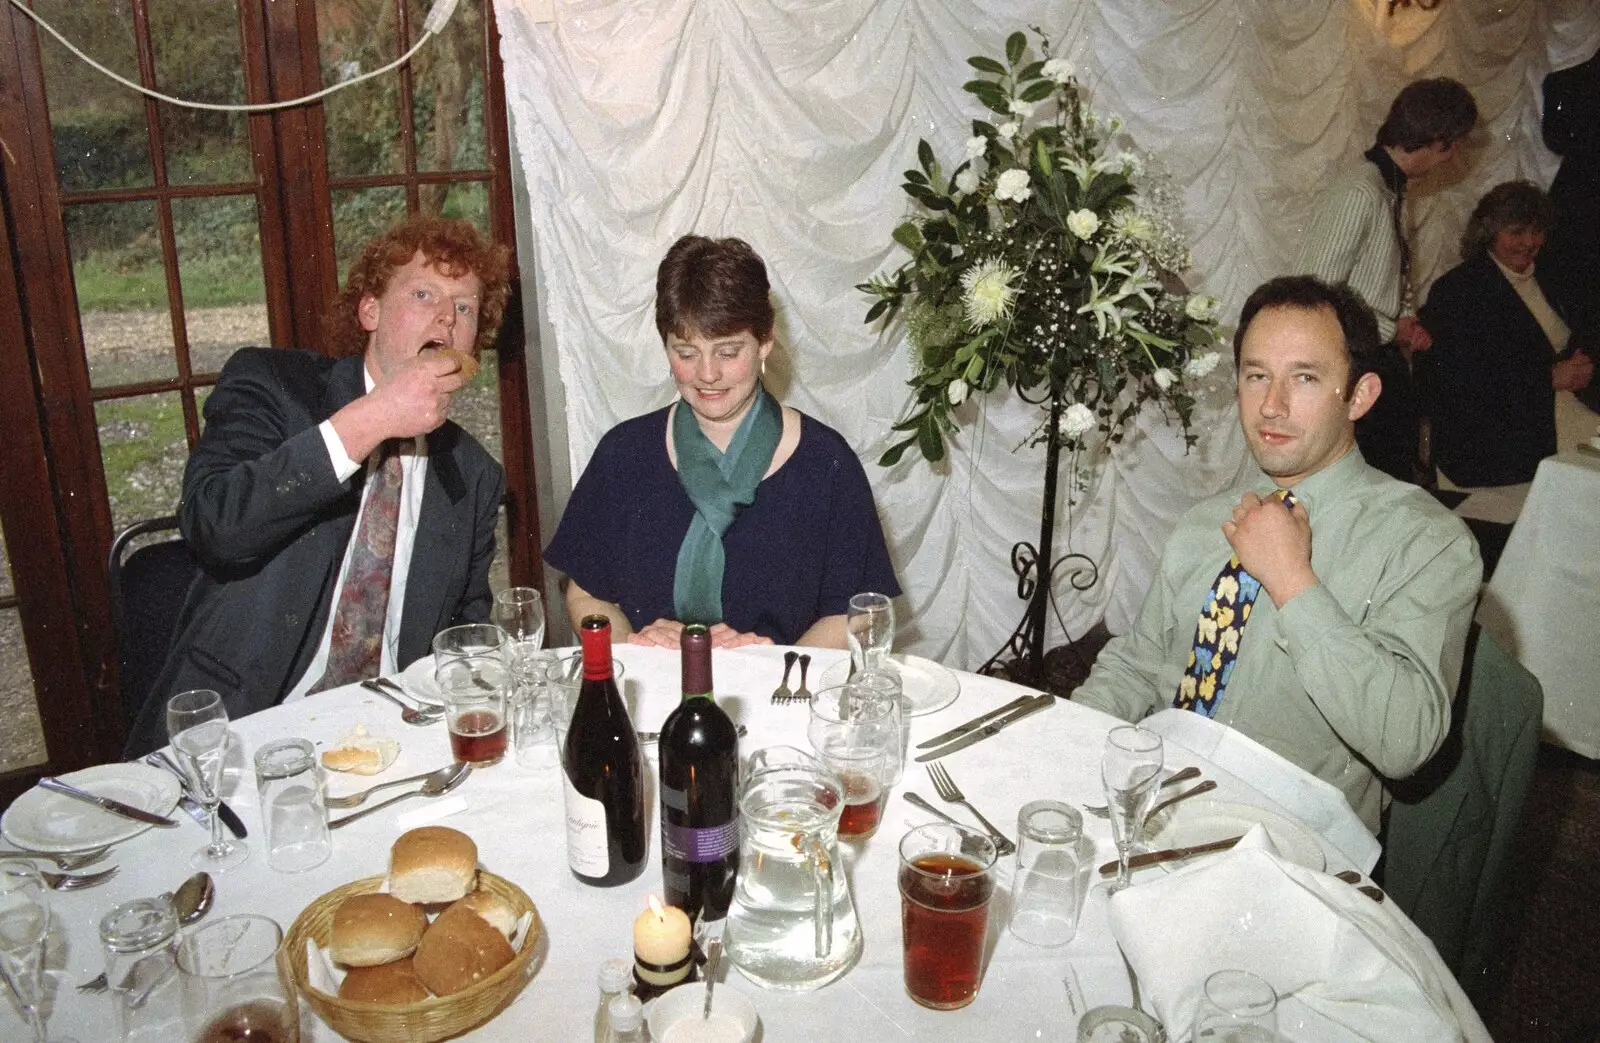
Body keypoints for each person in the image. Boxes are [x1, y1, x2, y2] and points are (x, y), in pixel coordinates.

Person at [1073, 276, 1482, 832]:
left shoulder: (1426, 541)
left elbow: (1405, 741)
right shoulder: (1205, 521)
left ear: (1360, 395)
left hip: (1292, 842)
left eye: (1305, 378)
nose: (1272, 405)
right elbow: (1139, 664)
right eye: (1256, 375)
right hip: (1158, 804)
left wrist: (1292, 580)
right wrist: (1062, 745)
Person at [124, 216, 512, 756]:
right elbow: (213, 524)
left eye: (465, 307)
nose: (446, 316)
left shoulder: (473, 474)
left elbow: (464, 629)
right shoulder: (273, 385)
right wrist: (370, 421)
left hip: (385, 742)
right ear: (369, 310)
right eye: (423, 293)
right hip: (243, 734)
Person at [544, 235, 899, 649]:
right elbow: (586, 594)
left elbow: (860, 612)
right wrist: (633, 649)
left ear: (765, 342)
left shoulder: (826, 463)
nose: (707, 374)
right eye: (686, 352)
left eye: (728, 352)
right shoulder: (624, 454)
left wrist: (774, 666)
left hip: (783, 700)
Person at [1294, 78, 1478, 484]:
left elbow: (1378, 278)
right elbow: (1312, 295)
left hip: (1377, 360)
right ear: (1437, 139)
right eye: (1457, 142)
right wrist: (1392, 327)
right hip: (1358, 365)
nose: (1455, 155)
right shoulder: (1362, 190)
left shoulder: (1387, 188)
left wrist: (1404, 319)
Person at [1419, 181, 1594, 488]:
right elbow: (1460, 383)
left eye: (1536, 231)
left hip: (1566, 413)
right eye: (1516, 232)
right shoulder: (1458, 291)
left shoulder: (1552, 276)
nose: (1529, 242)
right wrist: (1548, 379)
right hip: (1503, 443)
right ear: (1488, 233)